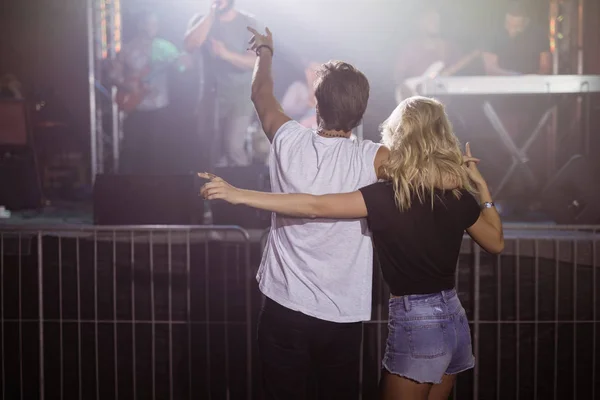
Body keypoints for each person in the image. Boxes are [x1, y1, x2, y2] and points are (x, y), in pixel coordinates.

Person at [200, 96, 504, 399]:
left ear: (400, 133)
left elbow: (313, 205)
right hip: (453, 319)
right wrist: (481, 188)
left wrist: (237, 194)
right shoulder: (458, 195)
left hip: (417, 323)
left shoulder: (388, 197)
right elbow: (496, 243)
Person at [226, 27, 389, 399]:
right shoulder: (374, 157)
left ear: (316, 104)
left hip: (285, 309)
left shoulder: (288, 140)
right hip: (342, 316)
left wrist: (265, 51)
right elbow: (423, 172)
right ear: (361, 108)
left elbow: (260, 93)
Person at [110, 11, 189, 174]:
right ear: (140, 25)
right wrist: (128, 85)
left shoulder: (165, 47)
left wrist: (185, 63)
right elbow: (113, 74)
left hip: (159, 106)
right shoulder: (127, 49)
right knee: (131, 150)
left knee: (157, 152)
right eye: (148, 24)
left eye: (154, 24)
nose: (151, 28)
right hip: (135, 107)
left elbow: (182, 67)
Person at [185, 0, 261, 168]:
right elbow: (190, 45)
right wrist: (211, 15)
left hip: (240, 96)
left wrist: (226, 54)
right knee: (213, 151)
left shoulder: (248, 23)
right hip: (211, 95)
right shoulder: (202, 20)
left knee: (233, 147)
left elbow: (255, 61)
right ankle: (220, 191)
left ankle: (244, 188)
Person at [483, 1, 551, 76]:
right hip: (500, 84)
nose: (511, 30)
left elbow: (545, 67)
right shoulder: (493, 34)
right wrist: (515, 77)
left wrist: (530, 80)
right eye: (508, 24)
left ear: (526, 22)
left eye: (516, 27)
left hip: (530, 84)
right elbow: (490, 69)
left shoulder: (539, 35)